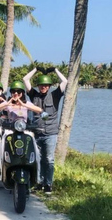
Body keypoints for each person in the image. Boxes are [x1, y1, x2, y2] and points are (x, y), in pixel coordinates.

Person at [23, 67, 68, 195]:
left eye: (46, 85)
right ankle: (39, 182)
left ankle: (48, 184)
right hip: (37, 133)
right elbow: (25, 79)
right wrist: (36, 69)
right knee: (38, 159)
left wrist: (55, 70)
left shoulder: (55, 95)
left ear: (49, 86)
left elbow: (65, 81)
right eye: (41, 85)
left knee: (49, 159)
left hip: (50, 133)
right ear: (38, 86)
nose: (43, 87)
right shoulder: (34, 95)